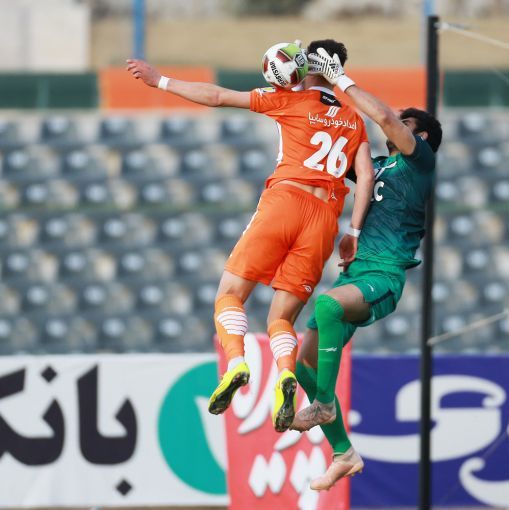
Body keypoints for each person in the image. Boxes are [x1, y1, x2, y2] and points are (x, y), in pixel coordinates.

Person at [126, 40, 374, 432]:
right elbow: (367, 177)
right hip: (326, 217)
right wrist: (354, 231)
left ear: (307, 65)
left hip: (286, 200)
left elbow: (218, 96)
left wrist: (160, 81)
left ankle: (237, 363)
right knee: (282, 318)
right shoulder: (354, 119)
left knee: (229, 294)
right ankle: (285, 374)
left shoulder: (289, 100)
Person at [289, 47, 442, 490]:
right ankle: (343, 452)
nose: (393, 123)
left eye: (406, 123)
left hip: (383, 276)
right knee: (302, 364)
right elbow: (336, 146)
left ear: (421, 136)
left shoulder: (419, 164)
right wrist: (307, 92)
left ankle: (323, 404)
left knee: (328, 306)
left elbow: (385, 119)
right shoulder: (377, 168)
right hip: (354, 275)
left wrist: (342, 78)